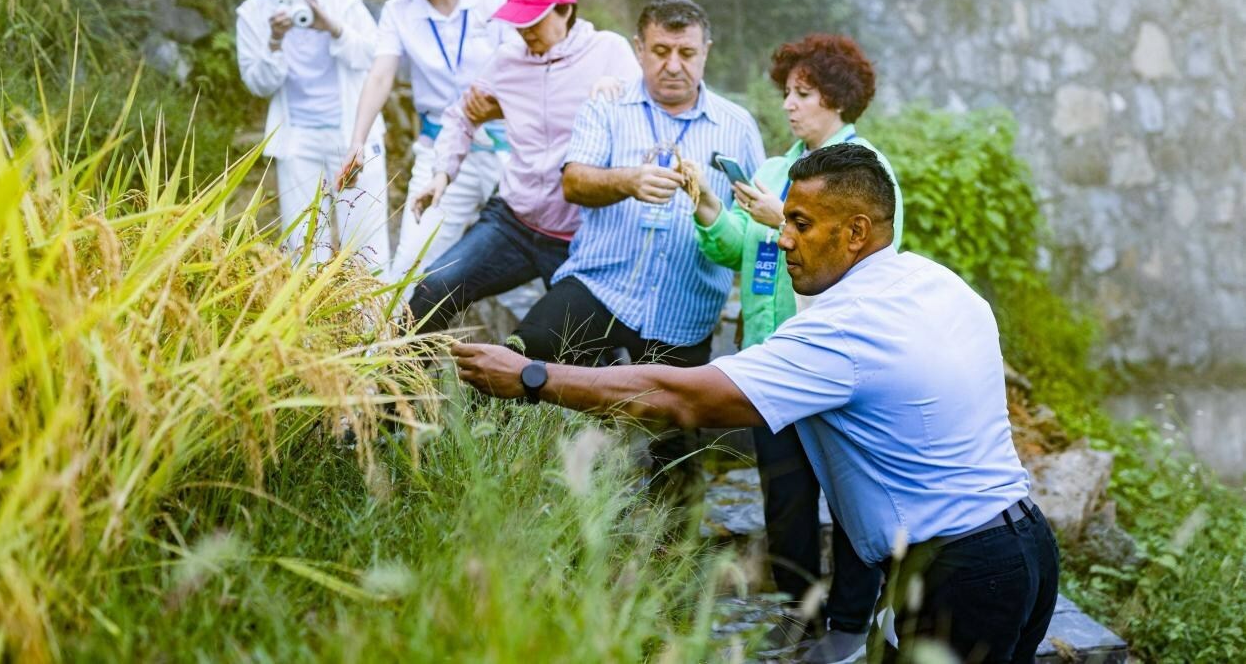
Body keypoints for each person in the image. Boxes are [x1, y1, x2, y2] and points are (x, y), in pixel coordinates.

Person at [452, 143, 1059, 664]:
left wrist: (531, 376)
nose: (783, 238)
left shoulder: (845, 328)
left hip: (962, 573)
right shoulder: (935, 281)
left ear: (856, 232)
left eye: (800, 223)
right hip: (1027, 548)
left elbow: (682, 397)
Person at [691, 33, 903, 656]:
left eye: (803, 94)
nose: (788, 105)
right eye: (786, 91)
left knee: (852, 500)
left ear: (836, 99)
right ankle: (794, 613)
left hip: (838, 363)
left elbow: (869, 260)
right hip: (772, 358)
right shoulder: (775, 168)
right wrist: (708, 209)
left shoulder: (866, 171)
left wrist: (779, 218)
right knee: (784, 500)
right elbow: (743, 248)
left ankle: (850, 621)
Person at [511, 0, 765, 502]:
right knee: (521, 355)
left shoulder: (737, 127)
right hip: (603, 286)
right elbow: (574, 182)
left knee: (679, 453)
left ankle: (670, 555)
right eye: (660, 50)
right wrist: (628, 180)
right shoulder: (608, 106)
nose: (673, 65)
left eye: (687, 53)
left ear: (706, 51)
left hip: (684, 307)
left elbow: (755, 222)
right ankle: (511, 484)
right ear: (639, 48)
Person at [406, 0, 641, 333]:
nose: (524, 29)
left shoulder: (607, 52)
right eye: (519, 19)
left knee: (583, 349)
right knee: (433, 289)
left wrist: (618, 97)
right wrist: (441, 174)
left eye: (535, 18)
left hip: (579, 237)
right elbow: (460, 115)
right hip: (512, 222)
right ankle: (399, 389)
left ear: (565, 10)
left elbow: (645, 116)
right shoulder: (507, 60)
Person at [338, 0, 510, 290]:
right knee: (411, 268)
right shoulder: (398, 12)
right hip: (439, 152)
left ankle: (550, 349)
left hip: (507, 147)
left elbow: (527, 70)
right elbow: (381, 73)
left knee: (522, 260)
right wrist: (357, 141)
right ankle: (397, 350)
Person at [236, 0, 388, 268]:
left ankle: (377, 323)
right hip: (298, 143)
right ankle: (309, 323)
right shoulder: (252, 12)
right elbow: (257, 84)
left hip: (353, 136)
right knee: (304, 248)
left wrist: (331, 26)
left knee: (366, 244)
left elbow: (374, 54)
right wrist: (275, 41)